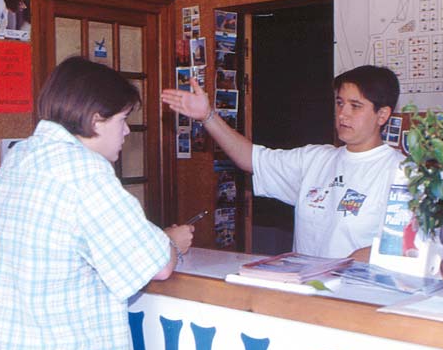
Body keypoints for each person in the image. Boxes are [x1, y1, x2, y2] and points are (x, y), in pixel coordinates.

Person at [0, 56, 193, 350]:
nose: (127, 131)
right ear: (96, 120)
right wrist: (172, 241)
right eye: (122, 119)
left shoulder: (22, 156)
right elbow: (156, 264)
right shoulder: (84, 172)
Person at [162, 65, 404, 261]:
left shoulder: (402, 173)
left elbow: (406, 246)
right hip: (307, 294)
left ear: (382, 115)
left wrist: (347, 266)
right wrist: (208, 116)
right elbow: (251, 158)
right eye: (340, 103)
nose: (342, 114)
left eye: (355, 106)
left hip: (360, 300)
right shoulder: (315, 159)